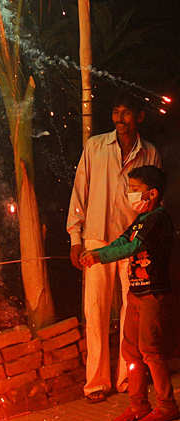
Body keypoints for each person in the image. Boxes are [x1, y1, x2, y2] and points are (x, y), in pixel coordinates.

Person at [67, 92, 162, 402]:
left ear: (140, 117)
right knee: (94, 312)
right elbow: (79, 192)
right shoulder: (95, 147)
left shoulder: (150, 154)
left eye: (127, 113)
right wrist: (75, 239)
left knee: (130, 315)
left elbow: (156, 202)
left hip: (133, 243)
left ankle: (126, 379)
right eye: (116, 112)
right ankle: (95, 383)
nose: (121, 120)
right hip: (96, 239)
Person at [80, 166, 179, 421]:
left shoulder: (158, 219)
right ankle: (138, 405)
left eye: (135, 190)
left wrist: (99, 257)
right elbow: (120, 241)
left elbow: (134, 246)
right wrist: (95, 253)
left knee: (150, 350)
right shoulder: (139, 220)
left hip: (152, 295)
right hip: (136, 293)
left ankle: (167, 405)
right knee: (130, 351)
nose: (130, 194)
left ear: (153, 193)